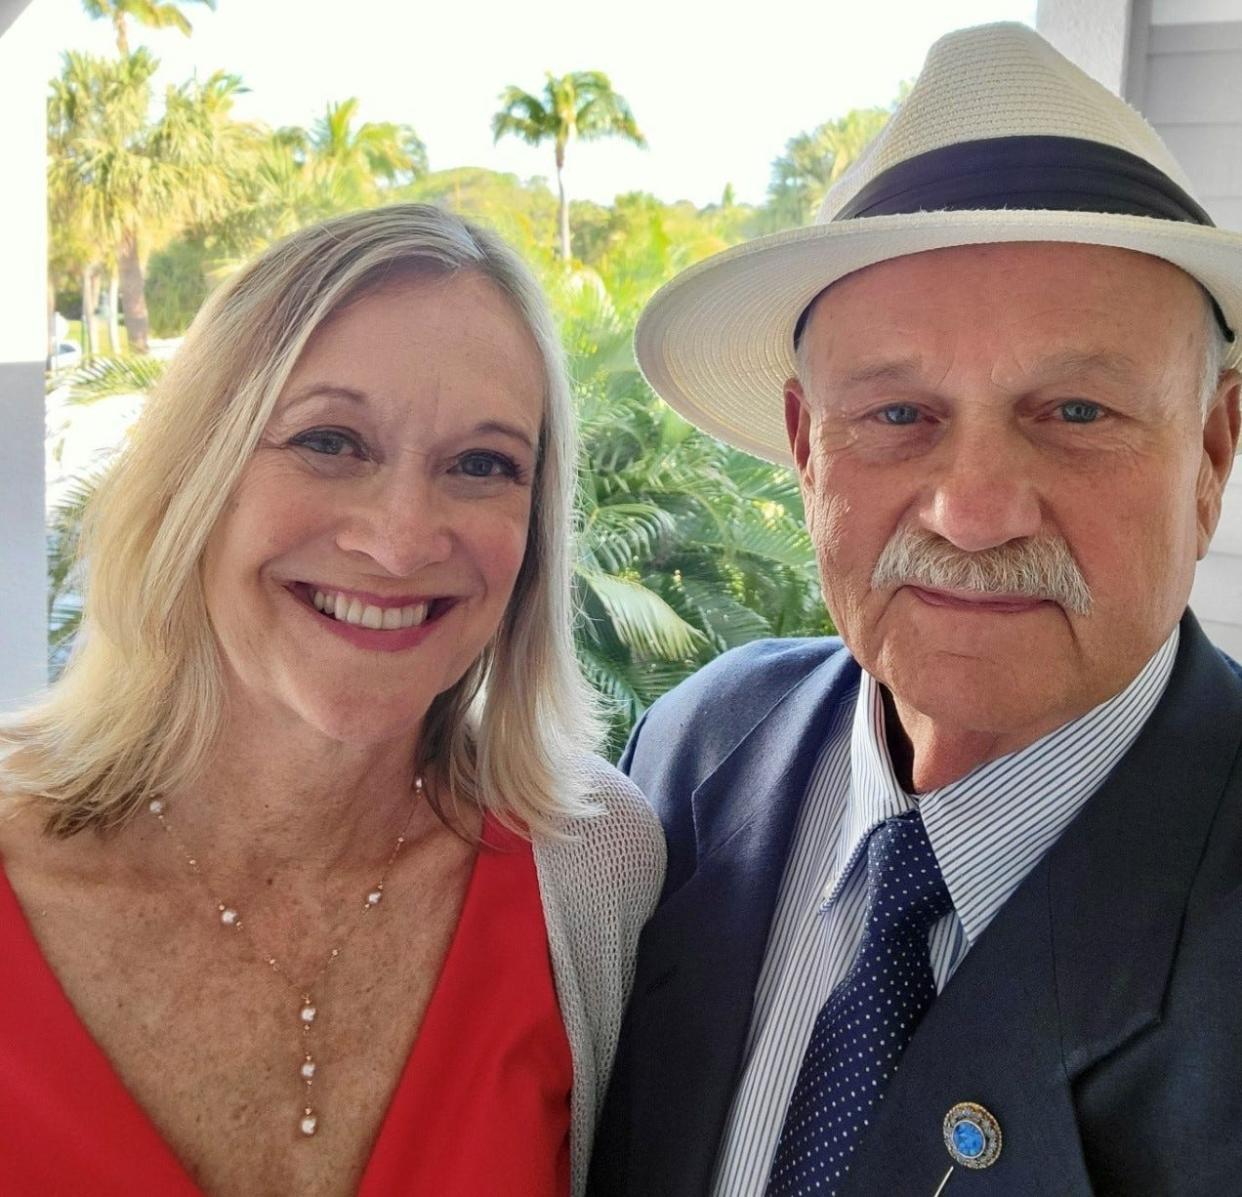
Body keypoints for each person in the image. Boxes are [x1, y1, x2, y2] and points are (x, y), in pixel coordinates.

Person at [589, 23, 1242, 1197]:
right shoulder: (695, 756)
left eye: (1077, 412)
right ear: (805, 447)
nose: (973, 512)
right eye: (897, 416)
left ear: (1210, 451)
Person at [0, 203, 664, 1197]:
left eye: (482, 465)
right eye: (331, 442)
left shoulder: (591, 867)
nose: (400, 541)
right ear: (197, 475)